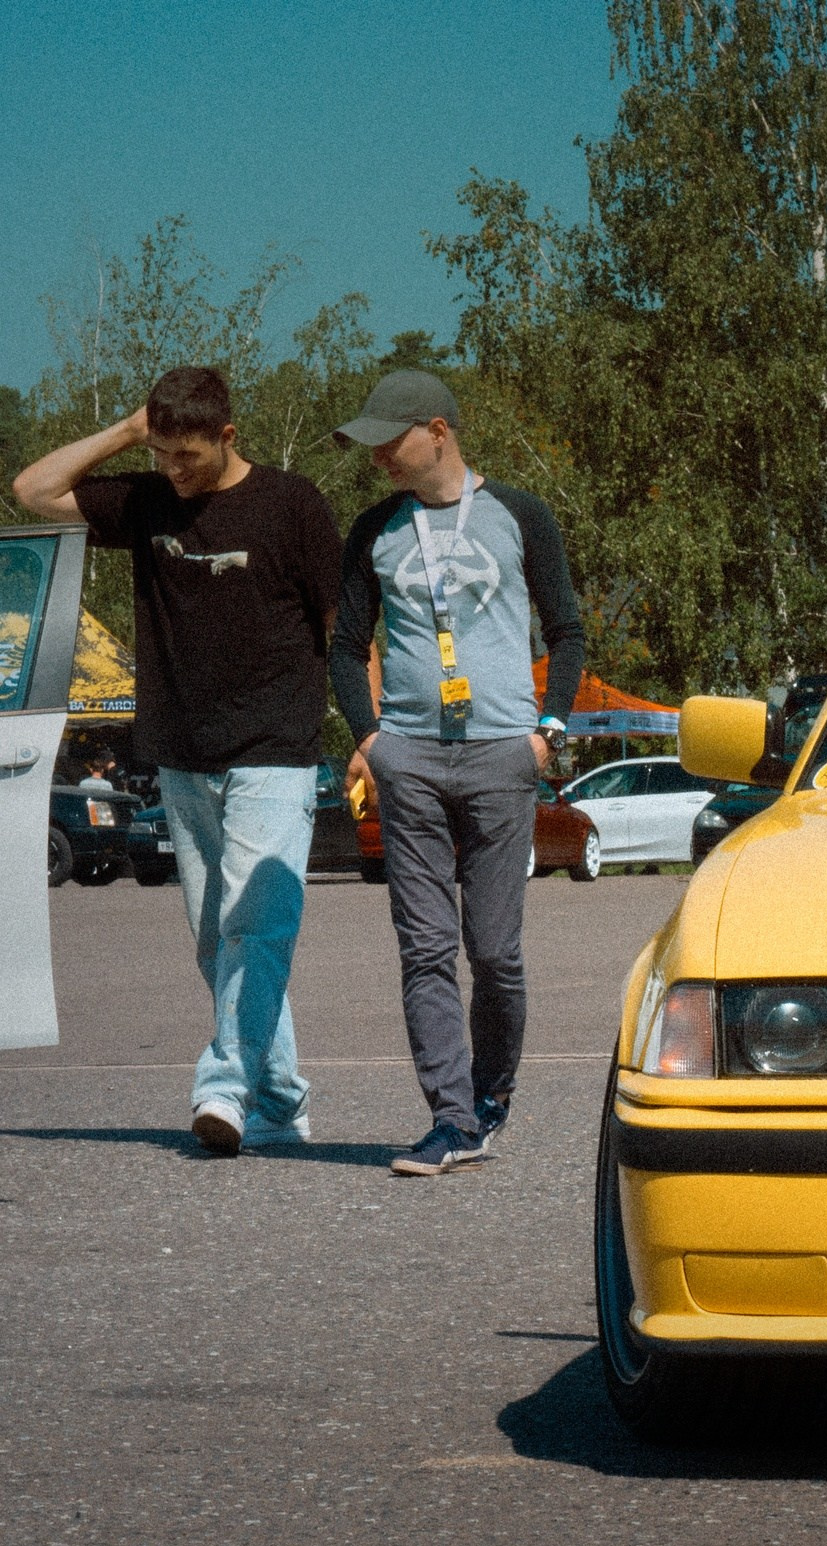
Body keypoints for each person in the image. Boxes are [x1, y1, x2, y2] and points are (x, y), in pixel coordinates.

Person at [11, 366, 342, 1156]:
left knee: (255, 928)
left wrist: (366, 734)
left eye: (187, 455)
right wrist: (130, 431)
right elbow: (33, 488)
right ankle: (283, 1097)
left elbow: (341, 619)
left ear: (228, 435)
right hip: (182, 755)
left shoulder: (292, 503)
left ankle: (223, 1087)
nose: (174, 471)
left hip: (275, 750)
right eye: (162, 453)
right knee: (212, 938)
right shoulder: (146, 498)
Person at [327, 371, 584, 1177]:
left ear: (436, 430)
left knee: (494, 950)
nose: (378, 456)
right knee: (426, 948)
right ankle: (449, 1117)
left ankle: (490, 1093)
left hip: (502, 753)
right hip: (410, 757)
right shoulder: (375, 529)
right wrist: (372, 739)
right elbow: (342, 647)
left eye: (389, 439)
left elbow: (567, 630)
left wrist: (546, 733)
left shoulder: (518, 514)